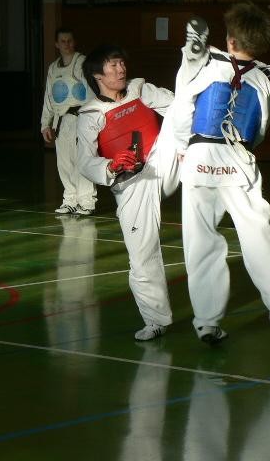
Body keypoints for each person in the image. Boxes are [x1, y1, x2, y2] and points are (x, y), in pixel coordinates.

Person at [171, 3, 270, 353]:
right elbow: (261, 128)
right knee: (259, 241)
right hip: (239, 163)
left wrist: (181, 145)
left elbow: (181, 105)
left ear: (230, 39)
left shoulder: (205, 63)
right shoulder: (266, 79)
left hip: (200, 160)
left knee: (201, 243)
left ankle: (206, 322)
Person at [76, 44, 180, 341]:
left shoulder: (139, 89)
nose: (121, 70)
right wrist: (110, 166)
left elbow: (179, 107)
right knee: (142, 253)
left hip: (162, 160)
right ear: (97, 75)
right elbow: (84, 162)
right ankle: (156, 320)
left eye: (122, 63)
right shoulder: (89, 114)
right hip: (132, 183)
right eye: (113, 66)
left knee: (182, 109)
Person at [41, 28, 97, 215]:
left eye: (69, 40)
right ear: (56, 44)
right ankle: (70, 199)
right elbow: (49, 98)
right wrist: (45, 124)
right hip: (60, 120)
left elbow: (92, 91)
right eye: (62, 41)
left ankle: (87, 201)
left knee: (82, 160)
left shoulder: (81, 62)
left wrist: (93, 118)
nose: (66, 44)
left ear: (74, 42)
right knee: (64, 163)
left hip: (80, 118)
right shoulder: (53, 68)